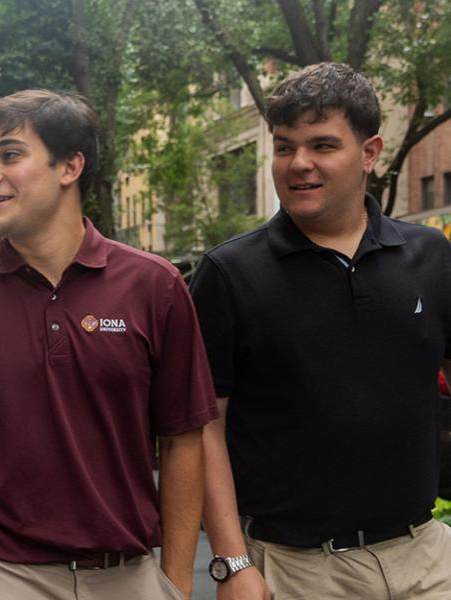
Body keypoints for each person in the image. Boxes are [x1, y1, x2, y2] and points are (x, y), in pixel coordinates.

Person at [0, 89, 218, 600]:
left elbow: (183, 439)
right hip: (0, 578)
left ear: (70, 166)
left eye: (10, 155)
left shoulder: (155, 287)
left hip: (129, 578)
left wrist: (174, 584)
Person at [191, 62, 451, 599]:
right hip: (295, 570)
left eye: (322, 145)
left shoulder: (431, 256)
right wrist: (231, 562)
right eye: (284, 147)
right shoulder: (229, 274)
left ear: (370, 152)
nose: (298, 164)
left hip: (427, 558)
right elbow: (202, 430)